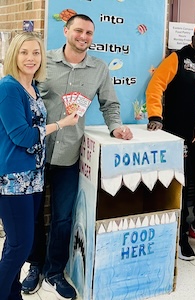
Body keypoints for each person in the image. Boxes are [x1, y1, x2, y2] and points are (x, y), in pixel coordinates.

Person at [21, 14, 133, 299]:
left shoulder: (99, 68)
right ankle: (34, 265)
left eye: (89, 33)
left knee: (62, 217)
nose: (84, 37)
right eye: (79, 31)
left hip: (70, 155)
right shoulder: (42, 60)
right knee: (33, 215)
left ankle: (55, 270)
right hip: (34, 154)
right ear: (66, 31)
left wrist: (116, 127)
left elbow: (110, 104)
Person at [0, 32, 78, 300]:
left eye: (36, 53)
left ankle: (12, 294)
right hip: (12, 177)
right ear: (14, 55)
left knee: (16, 242)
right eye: (24, 52)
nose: (31, 58)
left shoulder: (32, 86)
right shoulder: (8, 87)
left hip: (33, 176)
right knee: (21, 245)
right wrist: (61, 124)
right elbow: (21, 135)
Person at [146, 21, 195, 261]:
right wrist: (155, 116)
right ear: (193, 37)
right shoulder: (177, 58)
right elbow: (156, 86)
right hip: (179, 136)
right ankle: (178, 235)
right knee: (180, 185)